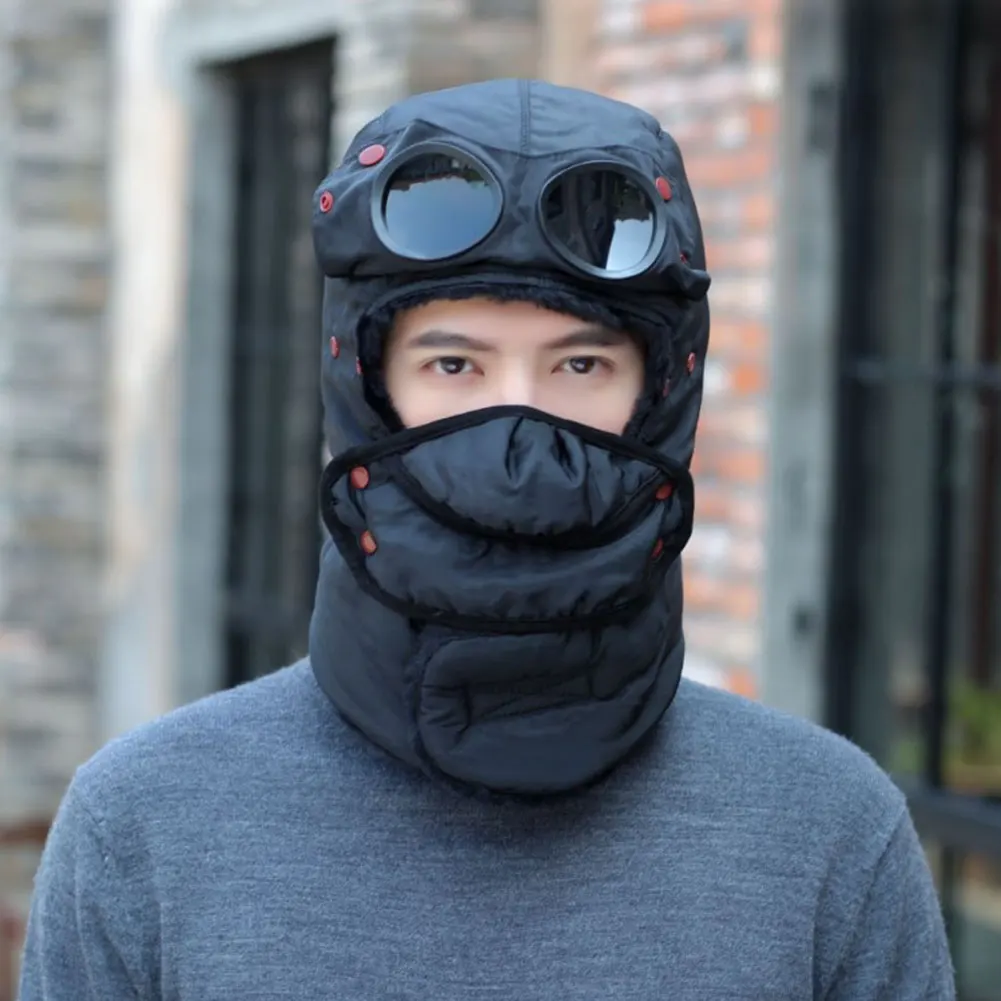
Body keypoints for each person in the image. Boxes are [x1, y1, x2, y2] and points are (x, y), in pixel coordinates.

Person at [19, 79, 955, 1000]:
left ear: (661, 397)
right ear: (365, 389)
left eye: (579, 363)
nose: (516, 430)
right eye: (453, 363)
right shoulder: (144, 824)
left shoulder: (825, 830)